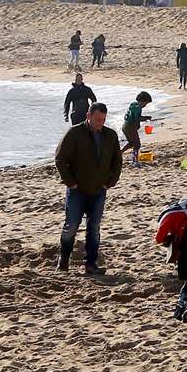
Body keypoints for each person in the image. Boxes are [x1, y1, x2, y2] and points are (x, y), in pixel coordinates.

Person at [54, 102, 121, 276]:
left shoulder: (110, 135)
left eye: (103, 120)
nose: (100, 123)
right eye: (97, 119)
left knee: (94, 228)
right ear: (88, 116)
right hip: (77, 190)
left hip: (99, 190)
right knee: (71, 226)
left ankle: (91, 264)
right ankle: (64, 258)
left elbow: (117, 161)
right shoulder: (74, 133)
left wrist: (110, 182)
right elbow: (60, 158)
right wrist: (70, 183)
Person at [121, 92, 154, 158]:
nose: (145, 105)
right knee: (137, 144)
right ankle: (135, 159)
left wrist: (144, 118)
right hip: (130, 127)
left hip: (125, 126)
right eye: (146, 103)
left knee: (131, 143)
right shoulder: (138, 108)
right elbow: (137, 119)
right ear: (142, 101)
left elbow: (133, 117)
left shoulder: (133, 105)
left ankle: (119, 152)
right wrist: (145, 118)